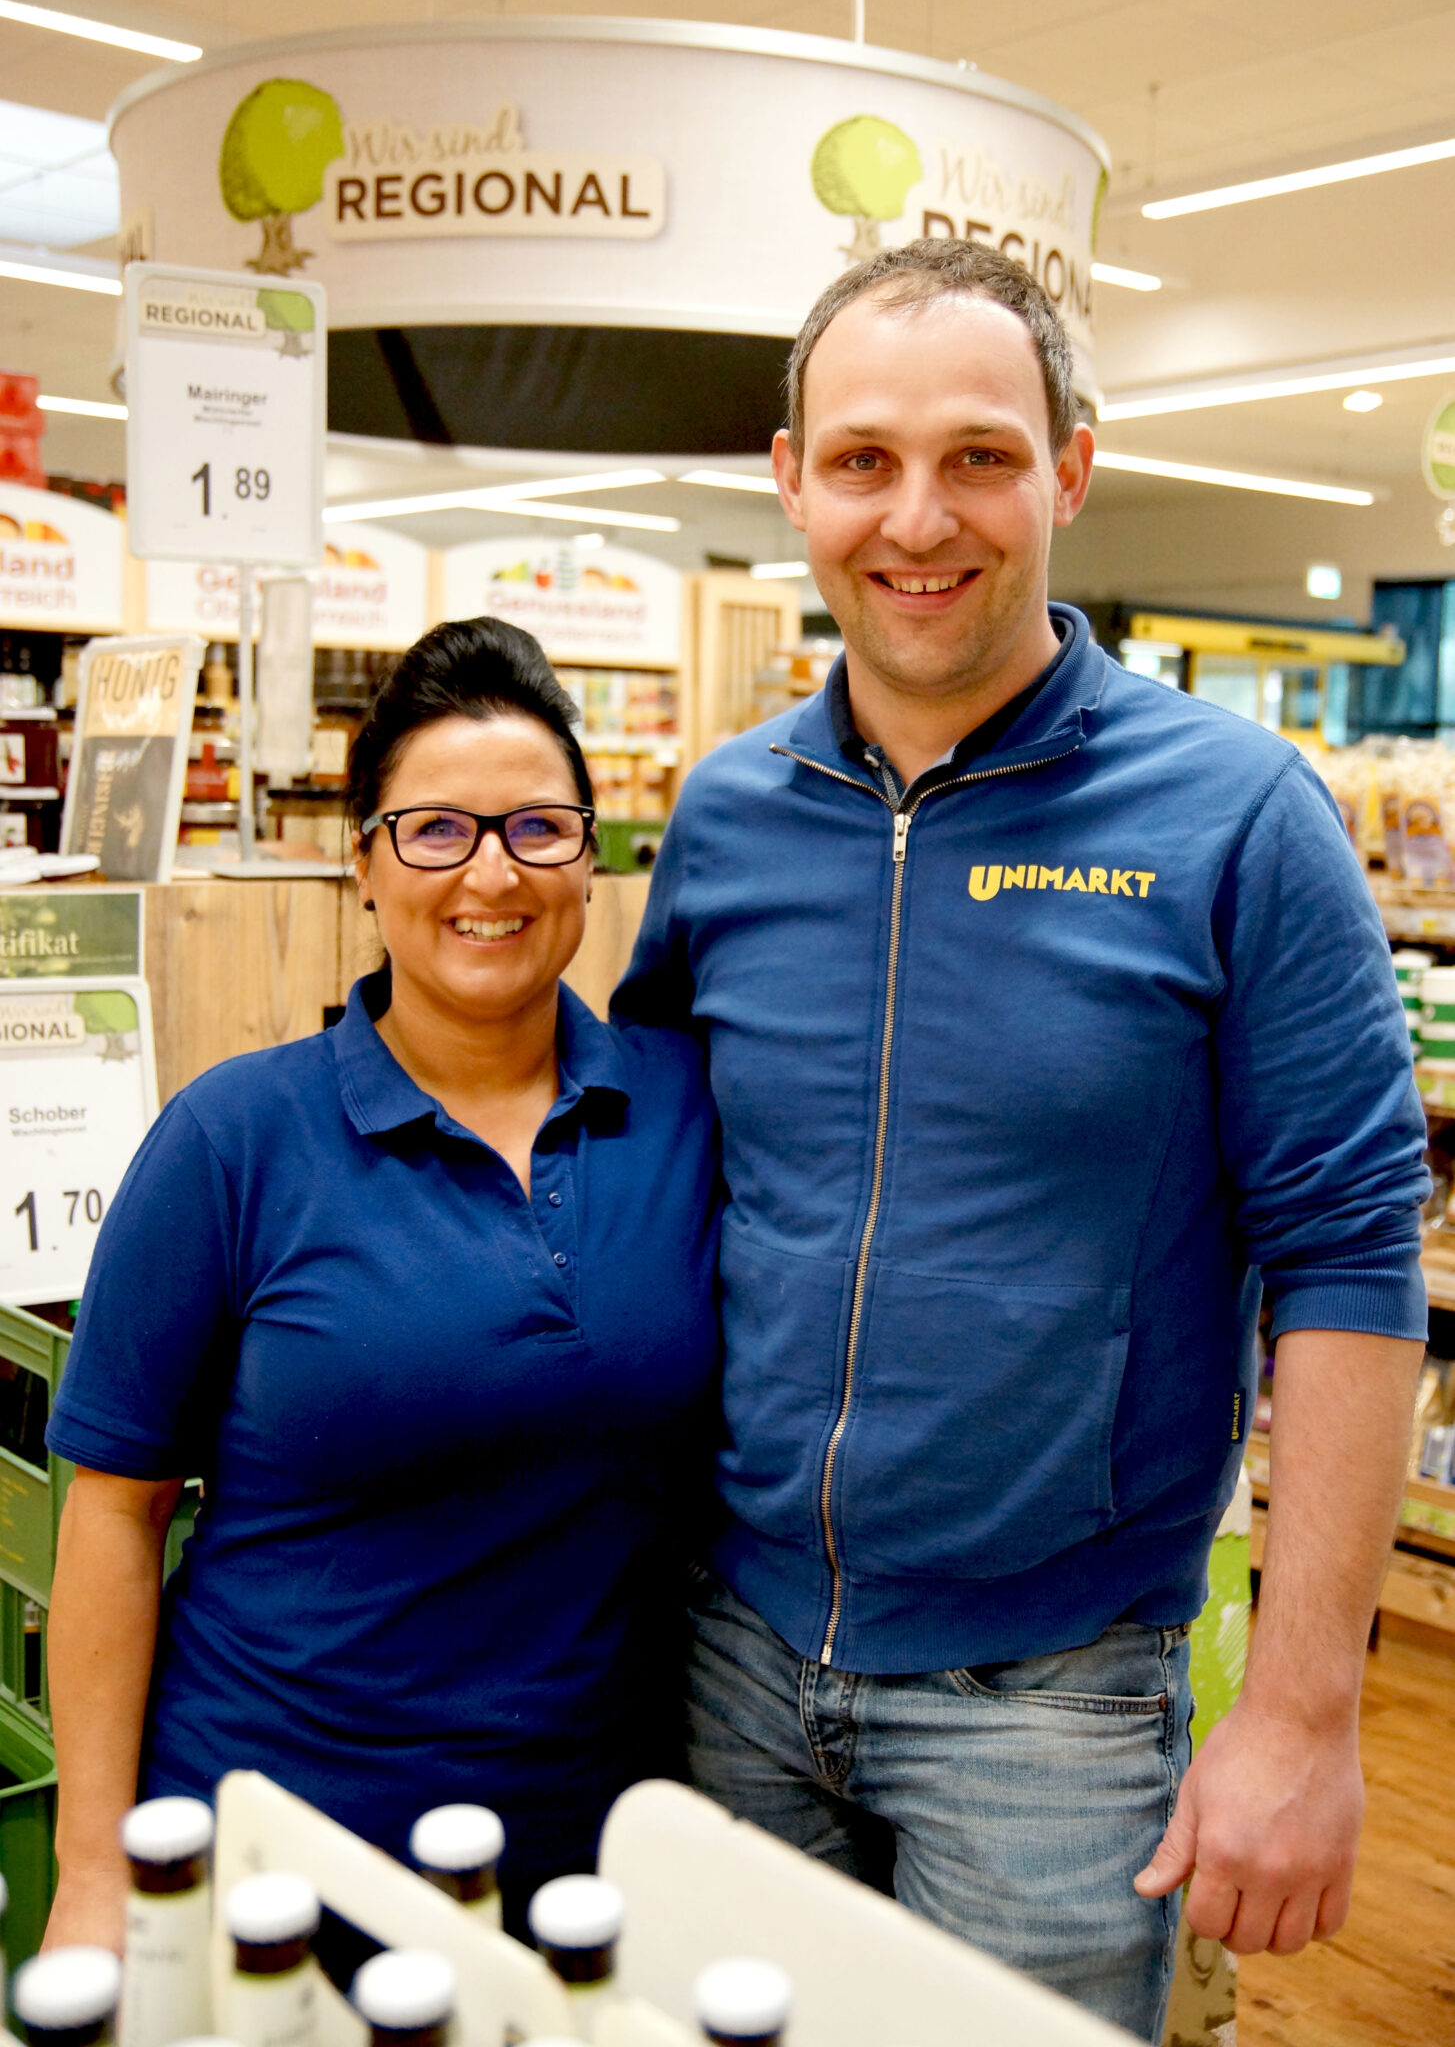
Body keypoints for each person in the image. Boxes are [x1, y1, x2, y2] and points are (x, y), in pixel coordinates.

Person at [612, 239, 1427, 2040]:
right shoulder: (728, 815)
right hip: (727, 1648)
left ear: (1069, 469)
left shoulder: (1237, 819)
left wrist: (1303, 1715)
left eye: (978, 455)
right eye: (864, 459)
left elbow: (1354, 1260)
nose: (918, 518)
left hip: (1051, 1707)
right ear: (792, 481)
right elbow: (649, 1182)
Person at [44, 616, 719, 1950]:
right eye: (435, 830)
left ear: (590, 864)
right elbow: (114, 1516)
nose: (491, 871)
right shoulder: (235, 1139)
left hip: (592, 1869)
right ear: (362, 863)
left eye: (538, 828)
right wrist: (91, 1874)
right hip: (273, 1859)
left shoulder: (689, 1110)